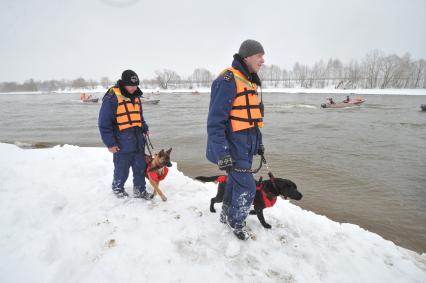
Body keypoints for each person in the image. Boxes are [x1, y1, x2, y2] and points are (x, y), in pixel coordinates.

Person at [206, 39, 265, 240]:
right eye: (259, 56)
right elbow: (215, 122)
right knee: (248, 187)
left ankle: (226, 214)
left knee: (234, 182)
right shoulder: (228, 80)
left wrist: (259, 144)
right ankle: (236, 221)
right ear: (247, 56)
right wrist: (222, 152)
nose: (262, 60)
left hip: (247, 145)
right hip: (233, 146)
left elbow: (254, 119)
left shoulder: (249, 80)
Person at [98, 70, 151, 199]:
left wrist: (144, 127)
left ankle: (140, 190)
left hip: (138, 140)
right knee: (121, 169)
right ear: (124, 84)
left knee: (140, 168)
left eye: (136, 85)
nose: (134, 88)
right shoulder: (112, 97)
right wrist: (110, 143)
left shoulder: (137, 96)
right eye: (131, 85)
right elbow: (104, 123)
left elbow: (139, 116)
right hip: (121, 142)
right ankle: (118, 189)